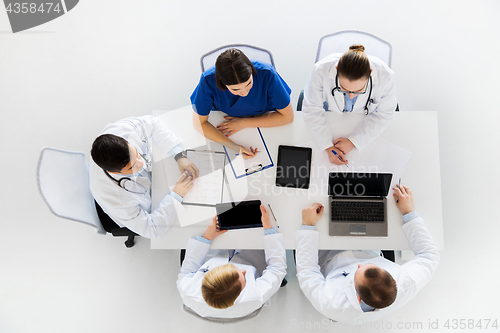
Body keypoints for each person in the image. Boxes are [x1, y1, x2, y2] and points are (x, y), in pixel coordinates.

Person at [295, 185, 439, 324]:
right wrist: (409, 213)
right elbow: (429, 255)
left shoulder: (329, 302)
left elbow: (307, 270)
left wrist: (307, 225)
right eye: (369, 265)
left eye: (357, 271)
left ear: (357, 298)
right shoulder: (407, 282)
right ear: (394, 281)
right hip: (368, 248)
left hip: (326, 255)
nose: (359, 264)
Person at [89, 116, 199, 239]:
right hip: (128, 212)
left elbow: (154, 123)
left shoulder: (121, 131)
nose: (141, 163)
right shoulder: (118, 201)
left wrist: (179, 155)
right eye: (132, 167)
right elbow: (153, 230)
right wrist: (176, 195)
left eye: (137, 154)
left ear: (127, 142)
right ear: (114, 172)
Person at [177, 205, 287, 319]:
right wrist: (269, 229)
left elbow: (189, 265)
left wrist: (207, 237)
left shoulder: (187, 290)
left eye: (236, 269)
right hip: (253, 256)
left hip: (218, 251)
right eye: (243, 278)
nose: (244, 271)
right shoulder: (255, 295)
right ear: (241, 292)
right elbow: (277, 268)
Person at [302, 44, 397, 165]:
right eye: (344, 89)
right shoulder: (321, 70)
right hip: (331, 118)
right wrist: (326, 145)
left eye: (359, 90)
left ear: (371, 73)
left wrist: (354, 142)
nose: (351, 96)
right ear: (336, 69)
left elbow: (384, 115)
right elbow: (311, 109)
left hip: (362, 122)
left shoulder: (386, 76)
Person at [191, 48, 293, 159]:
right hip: (224, 121)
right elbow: (199, 123)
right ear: (221, 81)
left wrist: (244, 123)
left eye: (249, 83)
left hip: (266, 119)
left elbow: (287, 117)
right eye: (235, 89)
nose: (244, 93)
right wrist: (235, 147)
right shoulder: (208, 80)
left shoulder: (267, 73)